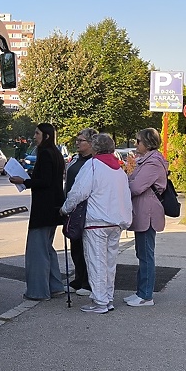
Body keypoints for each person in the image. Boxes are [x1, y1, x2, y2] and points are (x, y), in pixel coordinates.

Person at [60, 134, 132, 313]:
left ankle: (100, 301)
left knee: (96, 262)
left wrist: (65, 208)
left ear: (95, 147)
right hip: (116, 221)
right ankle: (107, 297)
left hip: (97, 221)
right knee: (109, 263)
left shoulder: (92, 165)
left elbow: (78, 192)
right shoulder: (119, 169)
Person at [9, 123, 66, 300]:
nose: (34, 136)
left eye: (37, 133)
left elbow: (45, 181)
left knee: (37, 251)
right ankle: (55, 286)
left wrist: (24, 181)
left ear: (46, 136)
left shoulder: (46, 154)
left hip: (43, 209)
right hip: (54, 208)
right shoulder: (56, 153)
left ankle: (38, 291)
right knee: (47, 249)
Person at [125, 128, 168, 307]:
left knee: (146, 254)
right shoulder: (147, 161)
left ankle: (145, 295)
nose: (135, 144)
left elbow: (136, 187)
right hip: (144, 211)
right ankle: (141, 291)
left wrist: (126, 183)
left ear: (147, 143)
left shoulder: (153, 163)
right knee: (142, 252)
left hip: (147, 213)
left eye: (138, 141)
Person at [65, 128, 98, 297]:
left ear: (91, 143)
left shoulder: (94, 162)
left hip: (86, 208)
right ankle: (78, 278)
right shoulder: (76, 159)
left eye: (81, 140)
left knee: (87, 247)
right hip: (72, 208)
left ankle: (88, 281)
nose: (77, 143)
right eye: (77, 140)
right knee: (75, 245)